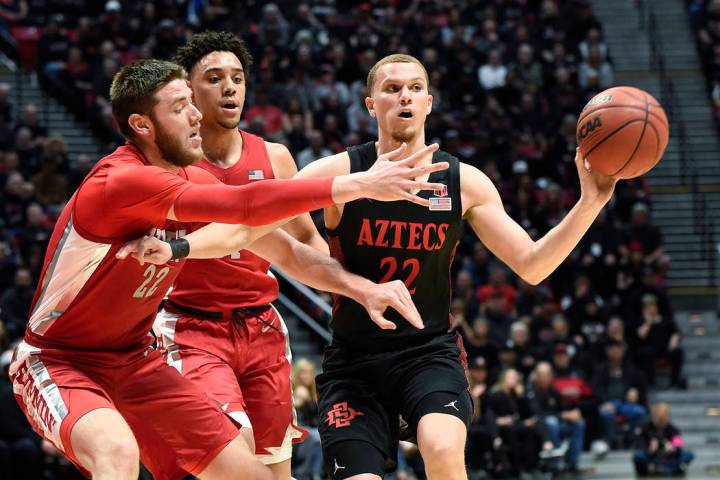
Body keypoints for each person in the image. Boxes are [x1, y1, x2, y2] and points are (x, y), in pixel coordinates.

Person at [124, 54, 617, 479]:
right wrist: (179, 249)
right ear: (371, 105)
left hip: (428, 353)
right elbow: (248, 229)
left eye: (416, 88)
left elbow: (532, 265)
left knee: (443, 448)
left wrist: (590, 202)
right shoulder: (340, 173)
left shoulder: (465, 182)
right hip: (354, 364)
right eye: (392, 88)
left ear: (429, 102)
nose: (405, 96)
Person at [9, 58, 448, 480]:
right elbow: (245, 203)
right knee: (116, 452)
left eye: (191, 104)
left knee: (252, 475)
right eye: (180, 108)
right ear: (143, 125)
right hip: (59, 359)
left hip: (134, 357)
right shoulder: (121, 181)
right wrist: (361, 183)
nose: (197, 116)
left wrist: (359, 289)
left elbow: (279, 246)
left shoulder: (189, 180)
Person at [154, 31, 430, 480]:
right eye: (215, 78)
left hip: (262, 326)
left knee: (276, 468)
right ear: (188, 91)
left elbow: (305, 241)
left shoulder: (275, 157)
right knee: (233, 452)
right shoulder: (165, 164)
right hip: (192, 326)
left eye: (238, 78)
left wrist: (356, 291)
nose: (230, 88)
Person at [633, 403, 694, 477]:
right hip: (651, 458)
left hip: (669, 459)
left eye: (663, 419)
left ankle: (671, 469)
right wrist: (649, 449)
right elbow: (639, 445)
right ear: (653, 417)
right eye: (658, 419)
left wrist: (673, 449)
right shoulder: (645, 428)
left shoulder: (674, 430)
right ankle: (652, 470)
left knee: (689, 454)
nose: (660, 422)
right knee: (638, 455)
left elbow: (679, 447)